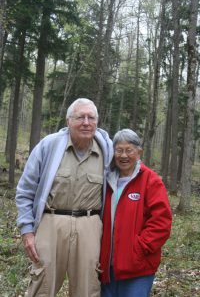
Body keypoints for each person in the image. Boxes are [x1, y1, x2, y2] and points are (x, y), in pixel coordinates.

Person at [16, 98, 113, 297]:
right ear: (68, 121)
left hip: (90, 224)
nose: (86, 122)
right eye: (80, 117)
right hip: (51, 222)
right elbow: (26, 190)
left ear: (97, 121)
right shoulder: (49, 146)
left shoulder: (107, 151)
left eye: (91, 117)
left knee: (87, 288)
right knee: (42, 285)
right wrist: (27, 231)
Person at [99, 129, 172, 297]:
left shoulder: (150, 181)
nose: (123, 155)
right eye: (119, 150)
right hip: (107, 268)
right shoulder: (106, 180)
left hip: (137, 268)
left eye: (129, 150)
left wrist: (138, 248)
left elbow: (162, 223)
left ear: (139, 152)